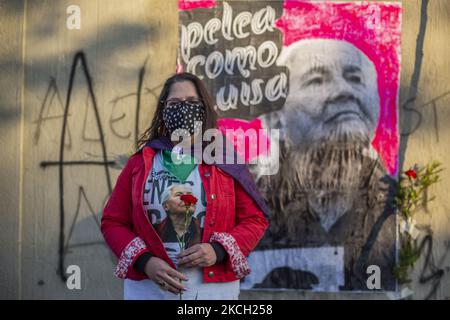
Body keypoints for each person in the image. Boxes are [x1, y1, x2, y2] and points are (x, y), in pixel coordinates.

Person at [101, 72, 270, 300]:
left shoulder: (225, 160)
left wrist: (217, 251)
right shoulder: (140, 163)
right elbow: (113, 222)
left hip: (212, 291)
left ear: (204, 108)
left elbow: (255, 220)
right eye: (174, 104)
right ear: (163, 110)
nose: (183, 109)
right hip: (149, 291)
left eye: (192, 102)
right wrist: (145, 262)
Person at [252, 39, 397, 290]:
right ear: (275, 117)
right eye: (316, 80)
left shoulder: (398, 202)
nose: (344, 91)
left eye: (354, 78)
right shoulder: (247, 199)